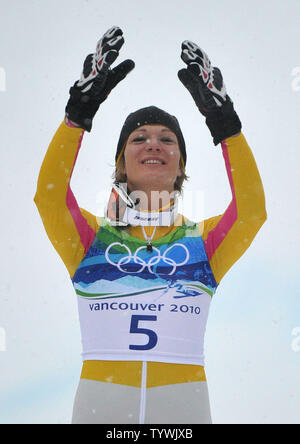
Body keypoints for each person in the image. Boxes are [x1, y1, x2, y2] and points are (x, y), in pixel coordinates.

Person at [34, 26, 267, 424]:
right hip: (100, 403)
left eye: (167, 139)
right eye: (138, 138)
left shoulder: (202, 243)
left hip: (183, 406)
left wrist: (225, 125)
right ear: (121, 164)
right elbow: (49, 197)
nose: (153, 144)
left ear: (181, 167)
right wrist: (77, 117)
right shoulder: (91, 241)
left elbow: (251, 212)